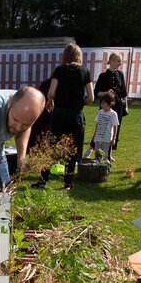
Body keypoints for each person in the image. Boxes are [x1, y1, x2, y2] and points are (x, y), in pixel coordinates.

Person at [46, 43, 94, 189]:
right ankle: (67, 183)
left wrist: (50, 101)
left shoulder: (59, 70)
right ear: (79, 56)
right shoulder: (85, 72)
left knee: (51, 147)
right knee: (72, 149)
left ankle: (43, 180)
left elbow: (51, 92)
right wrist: (80, 104)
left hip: (59, 113)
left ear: (65, 56)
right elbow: (91, 97)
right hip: (75, 116)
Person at [93, 53, 129, 151]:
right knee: (102, 126)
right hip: (106, 106)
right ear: (112, 61)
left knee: (116, 126)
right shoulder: (103, 76)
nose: (120, 63)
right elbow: (97, 93)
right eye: (118, 61)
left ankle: (111, 150)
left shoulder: (120, 75)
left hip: (118, 106)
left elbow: (124, 92)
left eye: (120, 61)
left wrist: (126, 106)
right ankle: (94, 146)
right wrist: (107, 92)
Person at [90, 93, 119, 164]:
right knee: (97, 152)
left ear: (110, 104)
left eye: (103, 103)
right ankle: (97, 164)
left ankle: (105, 167)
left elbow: (115, 126)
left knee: (105, 154)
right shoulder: (100, 112)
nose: (101, 105)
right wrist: (94, 135)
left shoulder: (113, 114)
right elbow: (97, 124)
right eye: (101, 103)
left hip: (107, 138)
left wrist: (113, 139)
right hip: (98, 137)